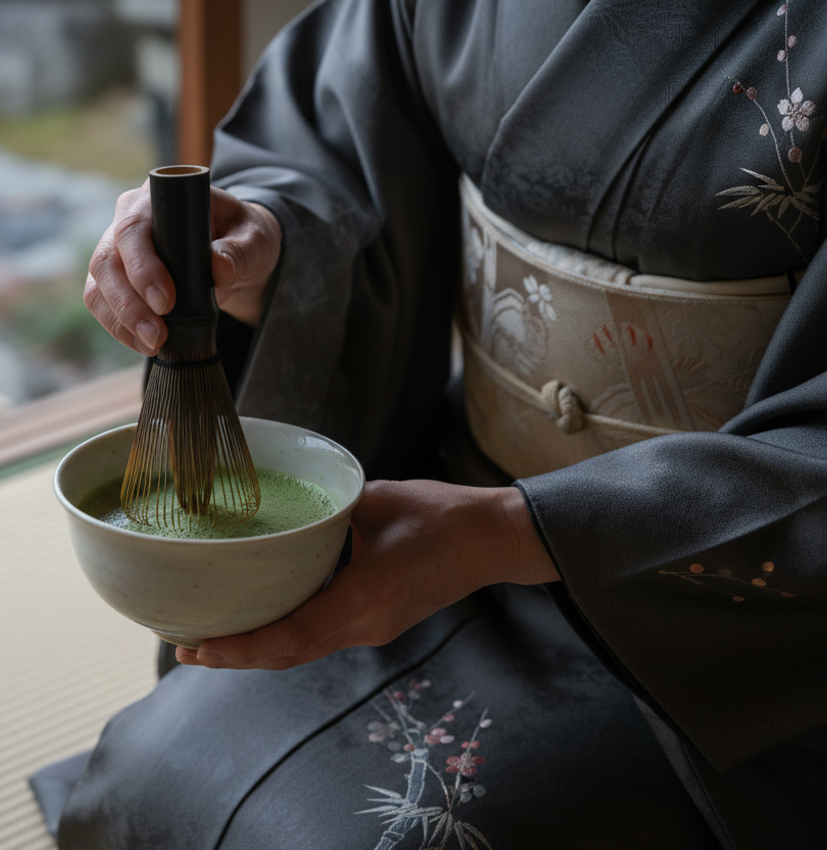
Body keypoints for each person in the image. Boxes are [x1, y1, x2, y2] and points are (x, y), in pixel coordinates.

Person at [56, 1, 827, 847]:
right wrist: (268, 240)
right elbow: (349, 128)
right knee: (150, 766)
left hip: (714, 603)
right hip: (436, 496)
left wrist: (517, 533)